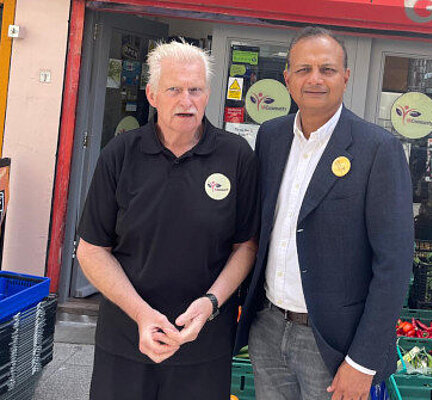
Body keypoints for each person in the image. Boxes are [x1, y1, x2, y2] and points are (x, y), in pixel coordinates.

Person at [235, 27, 414, 400]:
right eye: (304, 69)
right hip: (267, 327)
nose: (315, 79)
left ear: (346, 77)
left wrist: (362, 361)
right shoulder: (271, 136)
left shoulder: (377, 150)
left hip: (334, 343)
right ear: (287, 78)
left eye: (327, 69)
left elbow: (394, 265)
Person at [76, 41, 259, 400]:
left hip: (205, 346)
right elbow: (92, 250)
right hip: (126, 339)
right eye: (174, 89)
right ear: (153, 94)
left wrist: (211, 303)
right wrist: (142, 315)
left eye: (195, 90)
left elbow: (246, 245)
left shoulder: (236, 156)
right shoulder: (121, 154)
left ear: (208, 95)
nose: (186, 101)